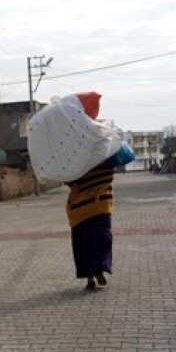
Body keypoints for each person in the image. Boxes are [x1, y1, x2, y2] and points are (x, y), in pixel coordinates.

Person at [65, 92, 115, 291]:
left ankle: (90, 277)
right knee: (101, 238)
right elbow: (115, 164)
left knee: (83, 241)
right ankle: (98, 270)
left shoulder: (72, 153)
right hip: (101, 203)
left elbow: (67, 178)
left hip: (80, 208)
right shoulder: (104, 146)